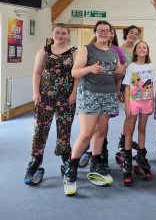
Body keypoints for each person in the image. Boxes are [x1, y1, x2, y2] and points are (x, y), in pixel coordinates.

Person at [64, 21, 124, 195]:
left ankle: (96, 163)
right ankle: (71, 168)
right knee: (86, 133)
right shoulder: (86, 49)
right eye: (100, 30)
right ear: (96, 32)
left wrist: (119, 72)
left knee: (100, 132)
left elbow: (114, 75)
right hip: (89, 94)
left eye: (107, 30)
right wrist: (91, 68)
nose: (104, 33)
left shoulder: (114, 52)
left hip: (108, 95)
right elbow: (75, 72)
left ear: (111, 33)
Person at [24, 23, 79, 185]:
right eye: (57, 33)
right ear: (52, 34)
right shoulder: (44, 50)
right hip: (45, 98)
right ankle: (35, 160)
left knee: (64, 129)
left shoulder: (74, 52)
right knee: (40, 129)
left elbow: (77, 76)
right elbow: (37, 72)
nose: (60, 36)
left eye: (63, 33)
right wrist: (35, 92)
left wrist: (74, 93)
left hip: (66, 98)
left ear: (68, 35)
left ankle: (66, 159)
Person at [121, 41, 156, 185]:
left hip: (146, 102)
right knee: (129, 131)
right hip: (134, 102)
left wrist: (152, 101)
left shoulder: (150, 67)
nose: (142, 49)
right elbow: (128, 87)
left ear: (147, 51)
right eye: (139, 47)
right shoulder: (132, 67)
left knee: (142, 129)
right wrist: (127, 106)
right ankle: (127, 159)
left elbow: (152, 85)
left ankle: (141, 156)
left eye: (145, 48)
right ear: (135, 51)